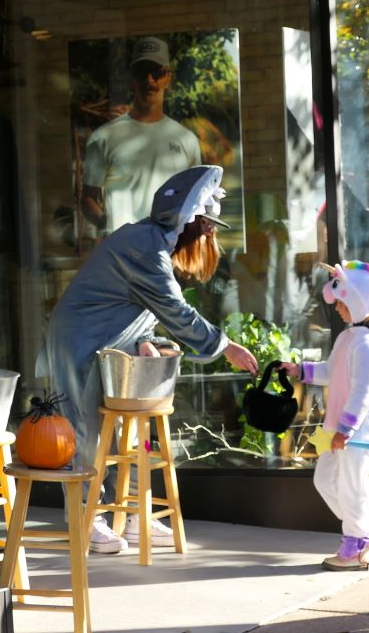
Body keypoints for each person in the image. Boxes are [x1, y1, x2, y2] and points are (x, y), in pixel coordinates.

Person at [38, 165, 258, 554]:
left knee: (131, 434)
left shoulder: (153, 242)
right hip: (80, 339)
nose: (210, 233)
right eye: (207, 224)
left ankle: (137, 514)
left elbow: (137, 305)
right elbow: (172, 307)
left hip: (114, 340)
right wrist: (226, 347)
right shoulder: (145, 246)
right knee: (87, 432)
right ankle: (88, 521)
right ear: (188, 219)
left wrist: (147, 339)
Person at [280, 262, 369, 571]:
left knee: (353, 487)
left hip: (356, 433)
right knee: (325, 480)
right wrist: (300, 371)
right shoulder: (350, 337)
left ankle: (355, 545)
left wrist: (346, 430)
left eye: (342, 303)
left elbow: (363, 391)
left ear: (359, 301)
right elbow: (330, 371)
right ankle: (366, 530)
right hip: (336, 428)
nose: (336, 308)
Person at [81, 37, 202, 237]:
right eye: (141, 73)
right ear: (131, 79)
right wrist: (110, 229)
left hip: (171, 254)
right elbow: (88, 199)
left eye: (157, 73)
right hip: (123, 255)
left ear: (168, 78)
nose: (149, 80)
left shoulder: (187, 140)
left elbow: (197, 199)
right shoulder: (103, 138)